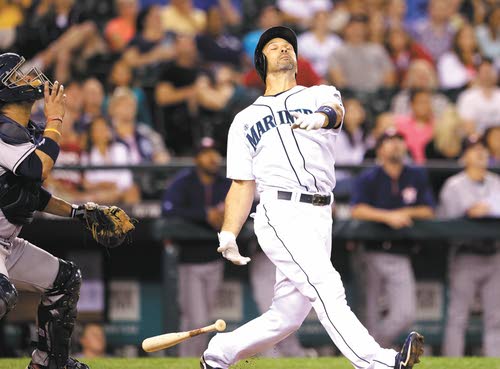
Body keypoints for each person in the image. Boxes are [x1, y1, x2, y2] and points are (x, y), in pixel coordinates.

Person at [200, 26, 424, 369]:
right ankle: (380, 362)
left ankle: (220, 353)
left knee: (287, 315)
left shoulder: (318, 93)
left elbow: (336, 111)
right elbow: (242, 184)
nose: (283, 50)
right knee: (326, 284)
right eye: (274, 47)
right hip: (280, 211)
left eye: (288, 45)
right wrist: (228, 232)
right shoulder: (245, 120)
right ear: (261, 60)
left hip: (320, 213)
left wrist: (319, 118)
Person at [0, 52, 91, 368]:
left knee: (65, 279)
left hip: (5, 244)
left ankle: (50, 363)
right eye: (16, 77)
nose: (27, 80)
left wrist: (78, 212)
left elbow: (29, 195)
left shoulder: (22, 130)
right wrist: (56, 119)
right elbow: (37, 169)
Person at [350, 130, 435, 348]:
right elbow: (357, 210)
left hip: (400, 252)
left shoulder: (415, 174)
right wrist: (388, 216)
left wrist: (407, 213)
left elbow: (429, 210)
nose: (395, 145)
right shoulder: (369, 176)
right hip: (370, 251)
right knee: (369, 313)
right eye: (388, 142)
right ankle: (374, 357)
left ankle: (373, 351)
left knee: (405, 314)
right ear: (379, 150)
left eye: (399, 140)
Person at [161, 138, 230, 357]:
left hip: (215, 260)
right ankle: (188, 361)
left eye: (215, 153)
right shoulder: (184, 182)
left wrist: (222, 214)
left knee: (203, 320)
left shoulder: (225, 183)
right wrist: (205, 214)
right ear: (196, 158)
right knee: (197, 320)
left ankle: (192, 361)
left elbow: (248, 205)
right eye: (206, 153)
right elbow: (168, 210)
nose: (212, 158)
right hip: (189, 262)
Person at [438, 136, 500, 357]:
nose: (480, 153)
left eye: (483, 149)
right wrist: (470, 212)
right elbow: (445, 223)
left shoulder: (496, 182)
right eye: (474, 149)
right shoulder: (454, 185)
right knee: (457, 317)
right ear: (464, 157)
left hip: (494, 254)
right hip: (466, 255)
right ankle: (452, 361)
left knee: (496, 318)